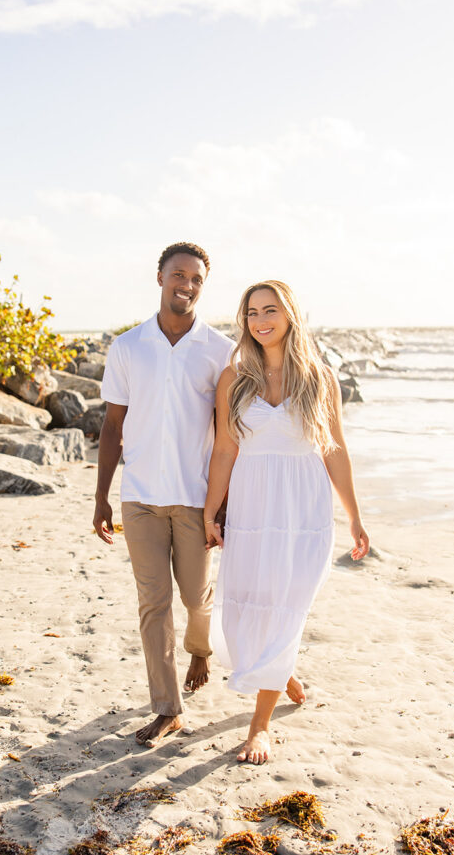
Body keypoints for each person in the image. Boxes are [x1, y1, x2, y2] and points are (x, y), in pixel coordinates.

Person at [203, 280, 369, 764]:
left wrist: (355, 518)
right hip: (254, 510)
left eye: (269, 310)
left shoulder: (320, 378)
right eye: (251, 312)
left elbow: (334, 452)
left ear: (290, 314)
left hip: (305, 514)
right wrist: (212, 510)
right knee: (248, 609)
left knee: (286, 607)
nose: (260, 320)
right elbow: (224, 450)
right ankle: (283, 669)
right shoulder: (235, 378)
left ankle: (259, 727)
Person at [93, 243, 233, 748]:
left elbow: (229, 431)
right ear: (159, 277)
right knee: (153, 604)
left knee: (197, 598)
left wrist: (226, 503)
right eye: (179, 275)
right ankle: (168, 709)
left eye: (196, 278)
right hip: (143, 500)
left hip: (197, 499)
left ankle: (201, 648)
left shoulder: (220, 351)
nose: (187, 285)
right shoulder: (128, 347)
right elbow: (112, 426)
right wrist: (101, 497)